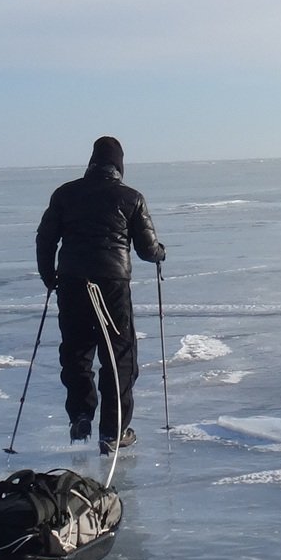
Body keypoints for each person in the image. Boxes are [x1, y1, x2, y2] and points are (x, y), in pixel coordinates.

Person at [35, 136, 166, 453]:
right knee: (119, 356)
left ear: (91, 162)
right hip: (112, 285)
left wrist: (49, 277)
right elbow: (148, 250)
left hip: (72, 282)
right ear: (119, 166)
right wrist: (161, 253)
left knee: (77, 351)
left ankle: (80, 415)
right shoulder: (131, 198)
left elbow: (45, 239)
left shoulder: (65, 194)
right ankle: (113, 431)